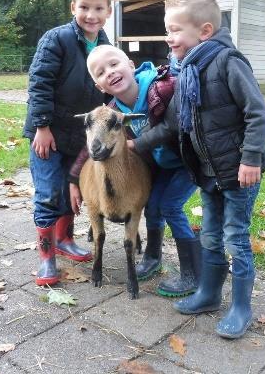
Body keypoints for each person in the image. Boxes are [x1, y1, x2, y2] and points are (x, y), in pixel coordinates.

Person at [131, 0, 265, 339]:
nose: (168, 37)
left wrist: (251, 158)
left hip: (240, 172)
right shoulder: (187, 72)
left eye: (175, 29)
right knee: (210, 234)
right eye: (168, 29)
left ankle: (241, 307)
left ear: (204, 31)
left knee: (236, 237)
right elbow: (172, 125)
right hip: (209, 174)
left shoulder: (228, 62)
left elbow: (257, 112)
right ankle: (209, 293)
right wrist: (135, 144)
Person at [68, 45, 200, 297]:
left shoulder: (160, 88)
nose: (110, 72)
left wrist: (137, 144)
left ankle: (191, 273)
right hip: (161, 164)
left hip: (187, 161)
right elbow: (95, 145)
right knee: (152, 207)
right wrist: (74, 178)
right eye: (101, 72)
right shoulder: (113, 111)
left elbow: (173, 126)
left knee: (170, 207)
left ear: (130, 64)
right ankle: (152, 258)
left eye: (114, 64)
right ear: (99, 86)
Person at [22, 0, 112, 286]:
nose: (91, 15)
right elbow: (39, 84)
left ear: (108, 12)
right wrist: (41, 127)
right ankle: (47, 257)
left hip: (80, 137)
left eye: (98, 8)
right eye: (85, 7)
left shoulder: (104, 44)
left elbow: (107, 89)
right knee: (48, 194)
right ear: (73, 6)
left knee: (72, 192)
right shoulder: (56, 39)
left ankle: (63, 239)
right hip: (48, 136)